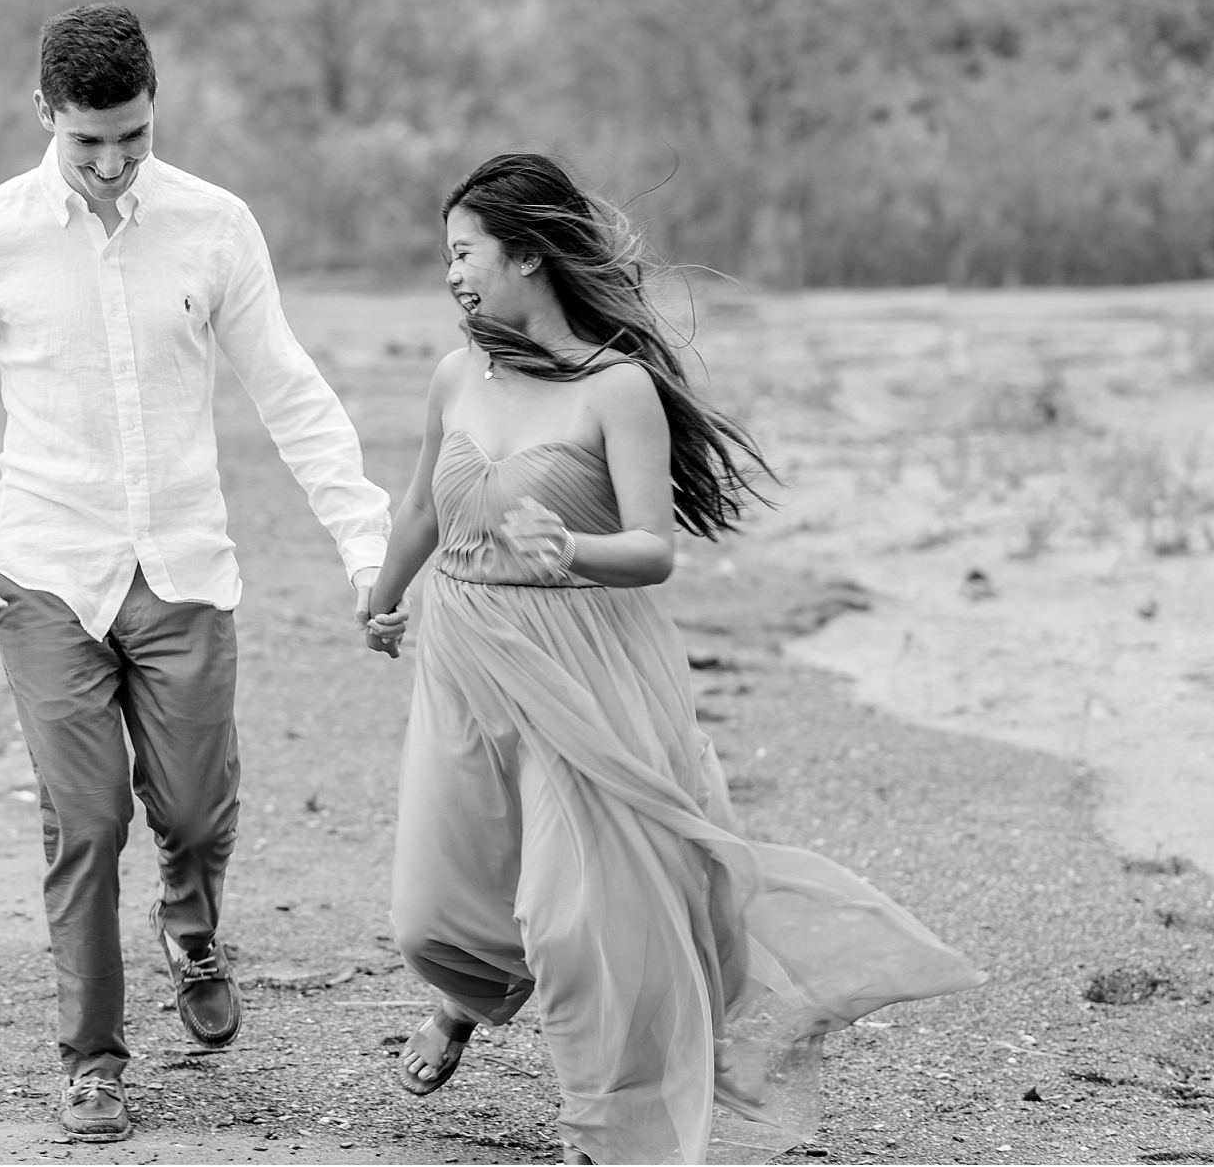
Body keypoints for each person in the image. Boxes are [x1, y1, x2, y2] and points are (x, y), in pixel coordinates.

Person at [360, 154, 985, 1165]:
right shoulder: (453, 374)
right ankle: (467, 1000)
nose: (451, 274)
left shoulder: (618, 390)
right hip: (462, 656)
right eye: (447, 256)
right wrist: (381, 597)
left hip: (585, 664)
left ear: (526, 254)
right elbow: (422, 506)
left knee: (575, 920)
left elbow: (651, 549)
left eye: (464, 252)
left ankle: (603, 1128)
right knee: (431, 914)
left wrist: (571, 550)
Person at [0, 3, 391, 1144]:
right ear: (44, 115)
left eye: (134, 138)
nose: (111, 166)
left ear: (156, 108)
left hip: (185, 570)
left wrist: (367, 544)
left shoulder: (215, 227)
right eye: (87, 142)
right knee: (87, 819)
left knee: (196, 813)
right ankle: (92, 1060)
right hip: (43, 574)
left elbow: (291, 393)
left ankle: (192, 920)